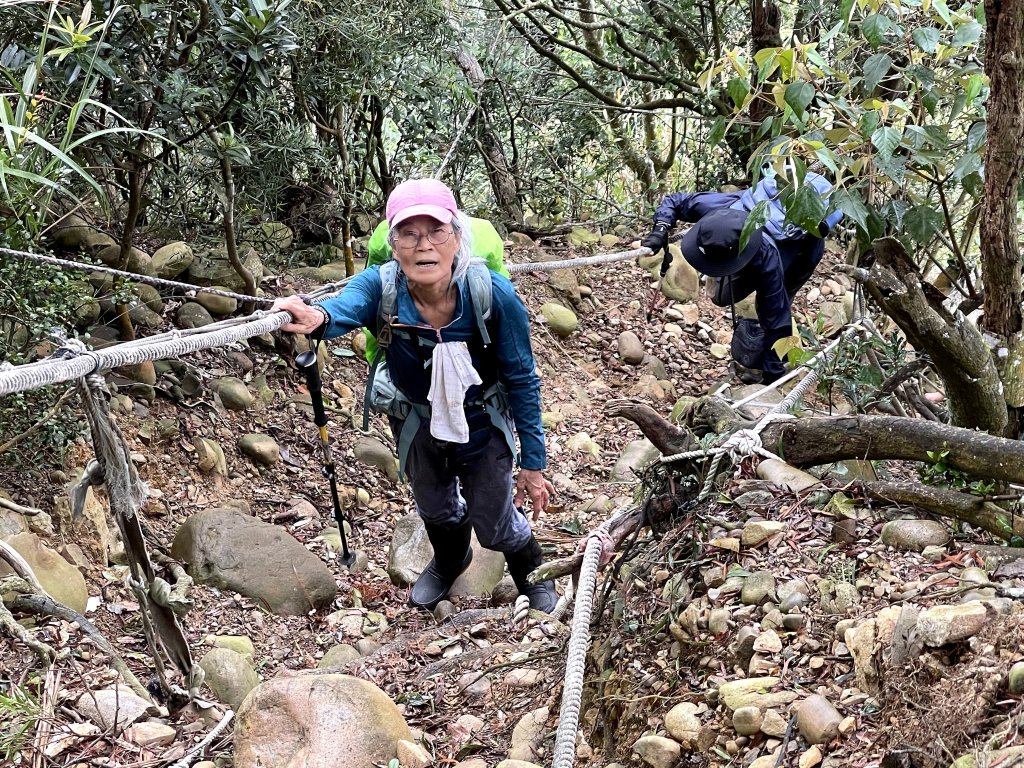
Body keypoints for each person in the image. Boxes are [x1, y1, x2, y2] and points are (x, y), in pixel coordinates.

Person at [272, 178, 558, 613]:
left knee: (496, 523)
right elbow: (340, 310)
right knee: (435, 506)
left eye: (436, 231)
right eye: (409, 233)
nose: (424, 245)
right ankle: (449, 560)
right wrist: (315, 317)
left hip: (483, 419)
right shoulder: (381, 287)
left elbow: (522, 377)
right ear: (394, 242)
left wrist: (533, 464)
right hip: (416, 421)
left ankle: (531, 574)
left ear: (457, 237)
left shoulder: (492, 294)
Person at [641, 169, 842, 383]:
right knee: (721, 297)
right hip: (754, 241)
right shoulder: (719, 208)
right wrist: (660, 229)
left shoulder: (767, 258)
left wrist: (771, 376)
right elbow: (675, 200)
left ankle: (769, 359)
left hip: (802, 251)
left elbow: (777, 315)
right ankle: (763, 351)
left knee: (772, 306)